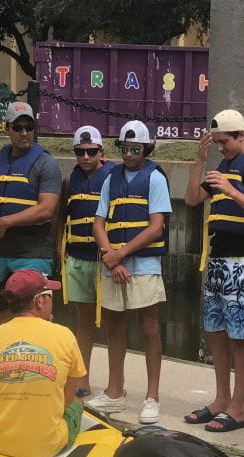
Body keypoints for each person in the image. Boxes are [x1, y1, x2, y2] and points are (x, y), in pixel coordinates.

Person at [183, 109, 244, 433]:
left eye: (225, 142)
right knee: (215, 331)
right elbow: (192, 198)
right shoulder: (222, 166)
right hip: (216, 259)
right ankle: (220, 399)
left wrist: (231, 190)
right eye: (217, 143)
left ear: (241, 136)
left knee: (241, 335)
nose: (221, 148)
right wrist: (200, 161)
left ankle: (238, 407)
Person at [86, 120, 170, 425]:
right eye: (124, 148)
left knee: (149, 328)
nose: (130, 154)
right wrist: (112, 257)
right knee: (113, 327)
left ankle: (152, 395)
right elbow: (98, 223)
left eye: (136, 148)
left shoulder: (155, 178)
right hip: (113, 263)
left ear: (146, 149)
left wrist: (120, 254)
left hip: (144, 264)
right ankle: (114, 391)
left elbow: (156, 226)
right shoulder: (111, 178)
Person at [0, 269, 86, 457]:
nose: (51, 301)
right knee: (77, 403)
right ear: (39, 301)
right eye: (49, 296)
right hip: (46, 447)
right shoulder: (65, 335)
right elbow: (66, 401)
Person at [0, 101, 62, 327]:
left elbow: (47, 209)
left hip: (32, 253)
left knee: (35, 317)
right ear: (7, 129)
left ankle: (36, 361)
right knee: (0, 314)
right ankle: (3, 360)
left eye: (29, 127)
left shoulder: (46, 163)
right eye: (18, 127)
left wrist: (6, 221)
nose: (24, 132)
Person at [58, 125, 116, 399]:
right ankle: (82, 379)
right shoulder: (71, 181)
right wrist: (60, 248)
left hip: (104, 259)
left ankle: (115, 383)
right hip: (78, 257)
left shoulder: (113, 176)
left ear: (101, 152)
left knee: (112, 321)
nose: (86, 157)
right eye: (80, 152)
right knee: (83, 321)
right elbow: (61, 217)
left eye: (91, 152)